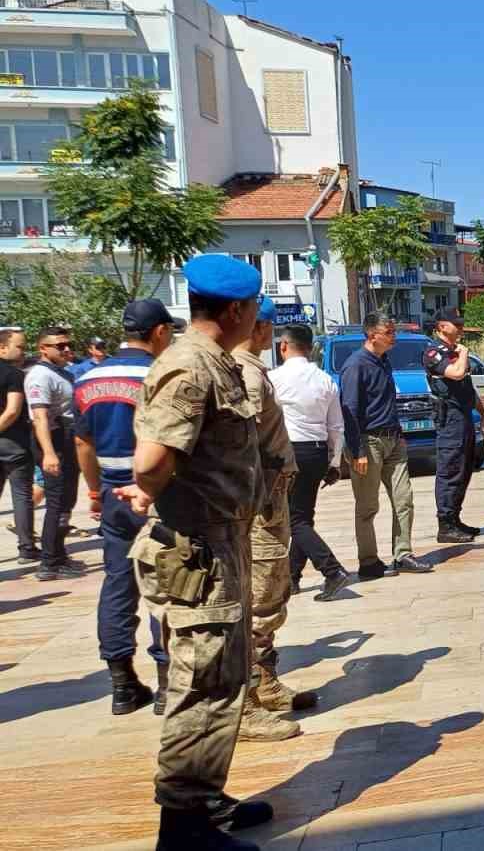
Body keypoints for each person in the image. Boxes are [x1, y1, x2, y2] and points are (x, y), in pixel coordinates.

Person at [113, 254, 275, 850]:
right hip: (197, 551)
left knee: (223, 680)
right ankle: (183, 829)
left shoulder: (215, 362)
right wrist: (150, 485)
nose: (256, 317)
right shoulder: (189, 367)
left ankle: (204, 800)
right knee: (203, 685)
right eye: (254, 309)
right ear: (236, 310)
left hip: (218, 543)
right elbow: (153, 457)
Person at [74, 300, 180, 716]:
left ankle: (121, 683)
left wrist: (96, 490)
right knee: (165, 587)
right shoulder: (159, 376)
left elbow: (82, 442)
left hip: (113, 493)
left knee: (118, 584)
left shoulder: (89, 378)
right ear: (158, 332)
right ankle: (168, 680)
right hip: (155, 494)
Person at [234, 297, 316, 742]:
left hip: (268, 501)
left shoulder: (254, 371)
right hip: (258, 505)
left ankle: (264, 681)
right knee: (258, 597)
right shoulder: (245, 372)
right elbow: (242, 442)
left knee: (270, 595)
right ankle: (245, 699)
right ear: (262, 329)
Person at [341, 313, 433, 579]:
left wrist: (399, 433)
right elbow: (350, 411)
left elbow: (386, 401)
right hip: (368, 443)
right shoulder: (355, 366)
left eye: (394, 331)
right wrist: (357, 450)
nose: (394, 337)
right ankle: (369, 562)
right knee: (368, 506)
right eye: (389, 332)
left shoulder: (384, 361)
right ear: (372, 335)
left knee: (404, 500)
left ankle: (403, 554)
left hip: (394, 440)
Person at [268, 324, 351, 602]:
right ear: (311, 347)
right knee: (303, 516)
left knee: (295, 519)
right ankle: (293, 578)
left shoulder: (274, 378)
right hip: (317, 452)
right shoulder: (325, 379)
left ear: (283, 347)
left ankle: (332, 570)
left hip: (289, 451)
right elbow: (336, 426)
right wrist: (335, 462)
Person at [422, 308, 484, 544]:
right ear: (441, 327)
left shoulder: (454, 351)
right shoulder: (434, 352)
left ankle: (455, 518)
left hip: (464, 416)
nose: (460, 329)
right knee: (450, 470)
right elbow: (458, 374)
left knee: (464, 468)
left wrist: (482, 413)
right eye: (455, 325)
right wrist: (464, 354)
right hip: (449, 419)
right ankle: (446, 524)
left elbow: (467, 387)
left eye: (461, 324)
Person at [25, 326, 86, 580]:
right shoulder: (40, 376)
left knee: (66, 501)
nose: (67, 349)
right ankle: (48, 563)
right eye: (59, 346)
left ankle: (59, 555)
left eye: (68, 344)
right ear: (43, 348)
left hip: (67, 439)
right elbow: (40, 417)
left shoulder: (60, 372)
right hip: (53, 441)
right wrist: (49, 453)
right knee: (57, 501)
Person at [0, 328, 37, 563]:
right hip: (13, 443)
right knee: (22, 496)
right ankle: (26, 548)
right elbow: (13, 411)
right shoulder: (14, 374)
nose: (24, 351)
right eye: (20, 346)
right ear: (2, 347)